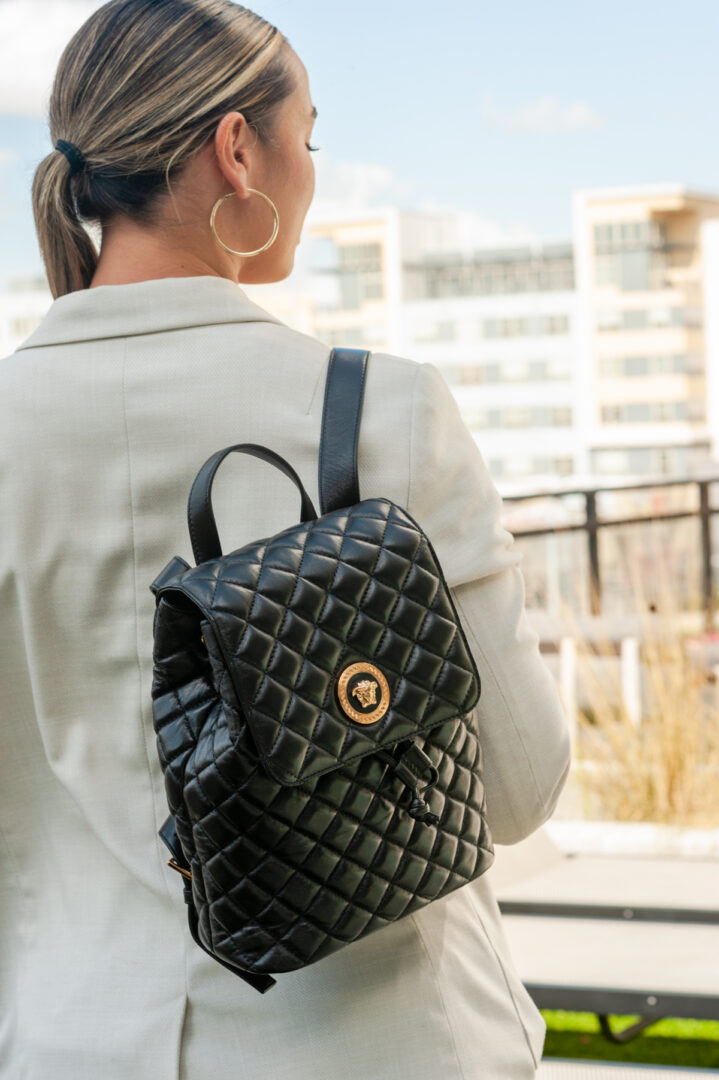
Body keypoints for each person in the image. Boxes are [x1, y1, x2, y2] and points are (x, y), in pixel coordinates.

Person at [0, 1, 572, 1077]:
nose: (310, 170)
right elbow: (517, 787)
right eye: (305, 136)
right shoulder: (377, 412)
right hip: (387, 1046)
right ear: (236, 149)